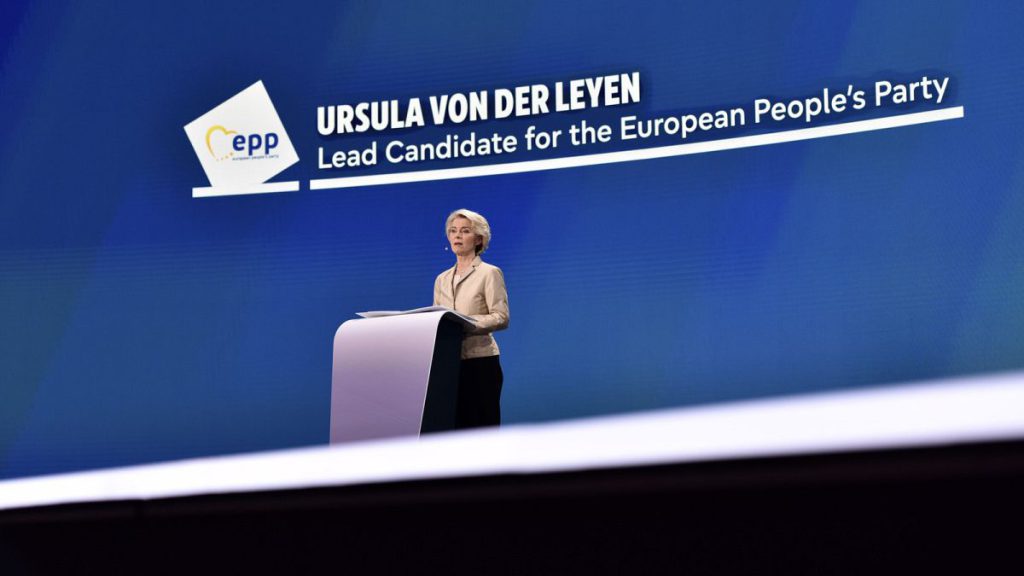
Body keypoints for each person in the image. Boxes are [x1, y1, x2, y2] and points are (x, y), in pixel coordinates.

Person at [433, 209, 510, 428]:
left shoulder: (489, 273)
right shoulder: (441, 279)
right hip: (448, 365)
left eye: (465, 231)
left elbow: (501, 317)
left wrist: (466, 325)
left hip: (481, 362)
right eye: (453, 231)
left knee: (481, 427)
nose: (457, 236)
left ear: (478, 239)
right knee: (455, 428)